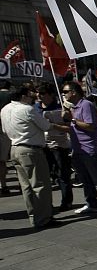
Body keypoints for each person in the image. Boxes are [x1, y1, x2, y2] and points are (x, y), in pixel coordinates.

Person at [62, 81, 97, 218]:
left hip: (89, 148)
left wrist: (73, 119)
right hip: (77, 148)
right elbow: (71, 127)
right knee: (85, 179)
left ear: (73, 92)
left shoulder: (86, 105)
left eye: (65, 92)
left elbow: (91, 126)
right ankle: (92, 203)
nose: (63, 94)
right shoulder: (73, 107)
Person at [1, 82, 54, 227]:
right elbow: (46, 126)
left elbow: (5, 131)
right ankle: (44, 218)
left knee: (26, 186)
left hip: (15, 148)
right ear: (23, 96)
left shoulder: (5, 109)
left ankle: (34, 216)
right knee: (40, 184)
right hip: (30, 149)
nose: (34, 97)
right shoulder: (27, 109)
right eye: (31, 94)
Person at [36, 83, 73, 210]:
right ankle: (48, 204)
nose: (39, 96)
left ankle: (66, 201)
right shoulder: (35, 108)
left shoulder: (60, 108)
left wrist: (53, 125)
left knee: (62, 174)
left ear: (51, 95)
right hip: (42, 145)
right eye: (38, 94)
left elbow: (69, 128)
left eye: (42, 94)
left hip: (59, 145)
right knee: (45, 177)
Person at [0, 79, 12, 194]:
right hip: (8, 129)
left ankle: (3, 185)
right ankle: (4, 185)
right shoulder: (11, 96)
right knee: (5, 159)